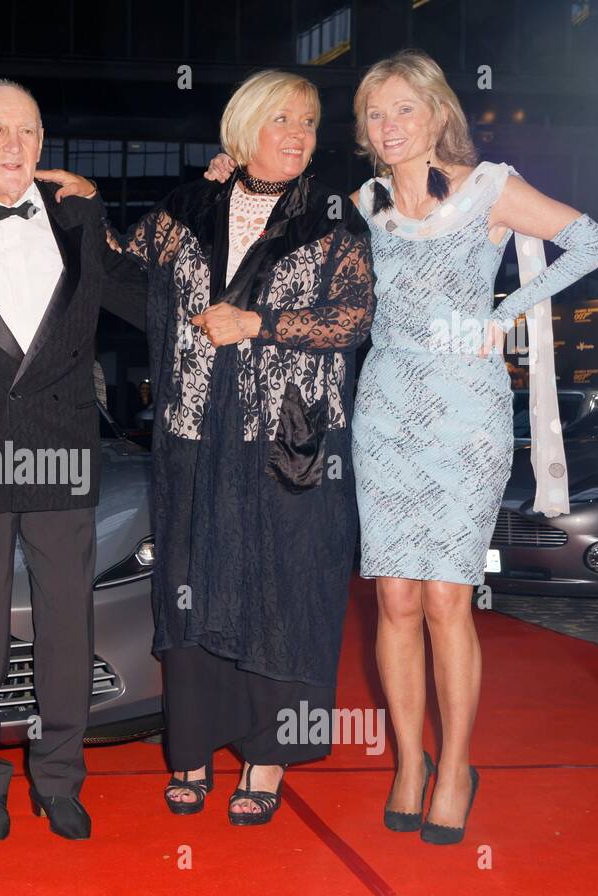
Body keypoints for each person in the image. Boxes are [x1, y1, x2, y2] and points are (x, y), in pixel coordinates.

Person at [68, 70, 375, 823]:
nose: (299, 133)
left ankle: (268, 760)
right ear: (241, 130)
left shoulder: (331, 218)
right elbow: (126, 278)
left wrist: (259, 323)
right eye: (281, 118)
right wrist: (84, 209)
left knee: (284, 591)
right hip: (194, 436)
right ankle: (194, 751)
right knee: (191, 585)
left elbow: (353, 317)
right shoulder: (189, 206)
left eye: (308, 120)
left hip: (288, 443)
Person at [346, 50, 598, 844]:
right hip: (385, 405)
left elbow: (593, 240)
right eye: (374, 112)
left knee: (445, 597)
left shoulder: (488, 186)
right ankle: (408, 761)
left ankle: (456, 763)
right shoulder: (364, 201)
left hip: (465, 410)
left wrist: (506, 314)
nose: (389, 125)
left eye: (403, 108)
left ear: (435, 113)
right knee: (392, 597)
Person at [0, 79, 145, 841]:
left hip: (61, 448)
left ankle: (61, 775)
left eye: (29, 132)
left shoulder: (81, 217)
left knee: (65, 622)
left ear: (44, 144)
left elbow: (151, 301)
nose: (14, 145)